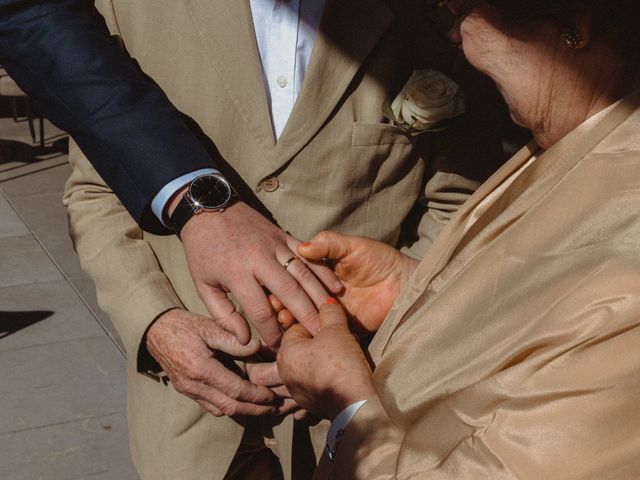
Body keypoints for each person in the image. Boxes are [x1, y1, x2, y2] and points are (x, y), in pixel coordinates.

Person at [63, 1, 504, 479]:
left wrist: (375, 336)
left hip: (368, 407)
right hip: (191, 418)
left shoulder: (439, 13)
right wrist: (156, 323)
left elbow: (465, 202)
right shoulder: (125, 8)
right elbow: (96, 188)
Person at [277, 0, 640, 478]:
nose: (454, 38)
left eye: (460, 10)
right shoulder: (588, 134)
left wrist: (347, 407)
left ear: (576, 22)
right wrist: (418, 293)